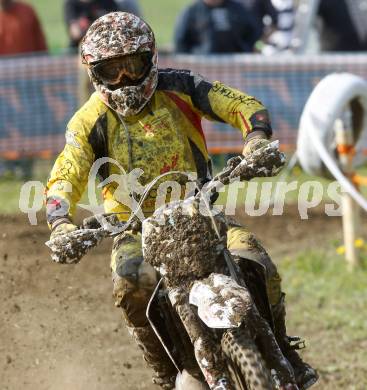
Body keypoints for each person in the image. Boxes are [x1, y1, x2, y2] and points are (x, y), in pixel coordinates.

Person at [45, 12, 318, 389]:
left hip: (200, 212)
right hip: (133, 228)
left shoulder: (182, 87)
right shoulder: (88, 121)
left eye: (133, 66)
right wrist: (60, 223)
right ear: (95, 74)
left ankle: (284, 349)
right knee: (129, 285)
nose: (124, 79)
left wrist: (255, 139)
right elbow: (66, 173)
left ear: (151, 59)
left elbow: (240, 104)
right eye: (113, 71)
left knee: (254, 258)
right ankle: (164, 371)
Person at [174, 0, 260, 54]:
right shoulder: (192, 11)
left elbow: (253, 30)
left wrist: (245, 49)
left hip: (234, 64)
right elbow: (180, 40)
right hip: (202, 65)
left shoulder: (237, 9)